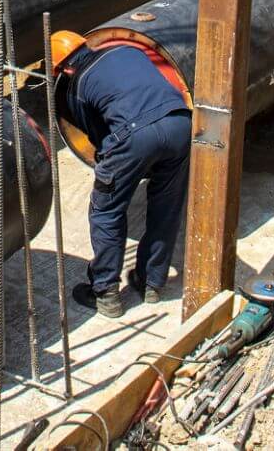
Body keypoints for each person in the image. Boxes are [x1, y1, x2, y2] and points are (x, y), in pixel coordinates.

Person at [50, 30, 192, 318]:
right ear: (85, 45)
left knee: (106, 210)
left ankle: (106, 293)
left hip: (134, 135)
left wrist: (117, 168)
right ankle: (152, 283)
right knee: (167, 206)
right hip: (180, 123)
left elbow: (99, 139)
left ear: (63, 68)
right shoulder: (128, 51)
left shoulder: (77, 84)